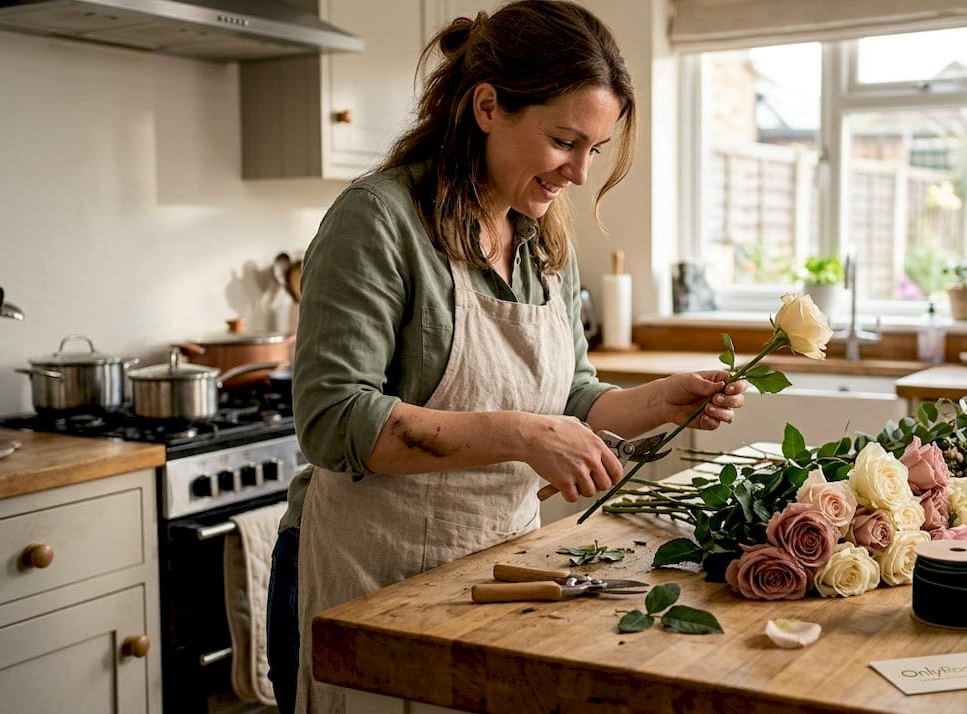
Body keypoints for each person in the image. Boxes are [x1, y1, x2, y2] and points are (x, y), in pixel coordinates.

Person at [264, 2, 751, 712]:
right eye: (564, 140)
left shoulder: (543, 242)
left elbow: (571, 397)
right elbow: (333, 420)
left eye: (596, 148)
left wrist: (662, 400)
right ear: (487, 106)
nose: (580, 173)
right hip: (366, 582)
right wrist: (522, 435)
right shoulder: (379, 220)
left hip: (497, 577)